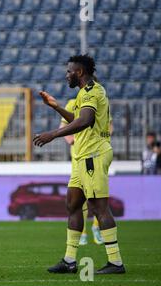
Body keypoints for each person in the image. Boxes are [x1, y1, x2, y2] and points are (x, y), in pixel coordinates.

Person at [34, 54, 125, 274]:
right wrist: (56, 107)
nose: (67, 75)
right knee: (73, 204)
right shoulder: (84, 93)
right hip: (82, 157)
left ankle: (116, 262)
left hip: (93, 154)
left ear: (80, 72)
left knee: (98, 208)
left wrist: (53, 134)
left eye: (69, 71)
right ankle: (69, 260)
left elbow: (86, 121)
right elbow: (78, 118)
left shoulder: (93, 91)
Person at [58, 99, 113, 246]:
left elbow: (109, 125)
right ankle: (82, 234)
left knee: (97, 198)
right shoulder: (72, 103)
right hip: (78, 156)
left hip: (96, 154)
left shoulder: (100, 100)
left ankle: (97, 228)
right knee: (77, 197)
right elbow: (64, 125)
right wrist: (72, 140)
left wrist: (102, 137)